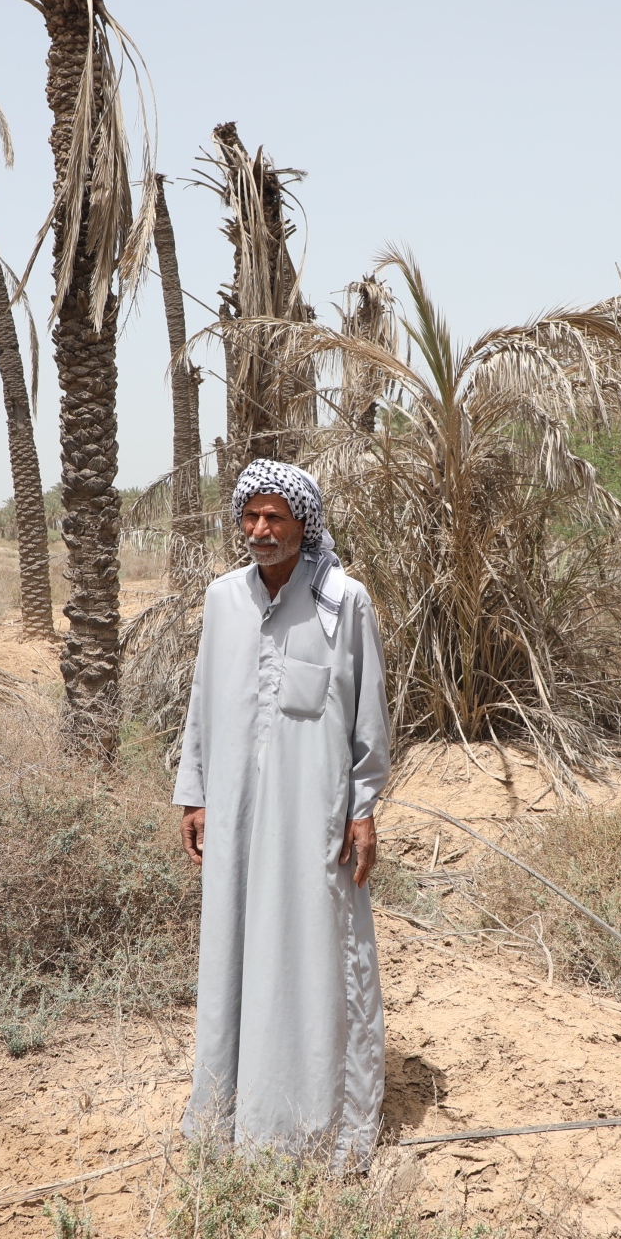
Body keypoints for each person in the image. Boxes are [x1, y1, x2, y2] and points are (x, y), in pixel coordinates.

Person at [174, 458, 391, 1172]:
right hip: (235, 812)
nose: (261, 530)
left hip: (312, 817)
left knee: (312, 950)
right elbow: (203, 705)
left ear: (305, 523)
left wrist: (362, 808)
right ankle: (228, 1116)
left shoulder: (343, 601)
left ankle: (313, 1123)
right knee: (234, 948)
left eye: (275, 517)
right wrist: (196, 792)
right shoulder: (221, 599)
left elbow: (368, 715)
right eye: (251, 516)